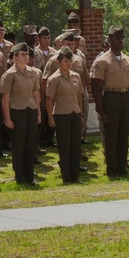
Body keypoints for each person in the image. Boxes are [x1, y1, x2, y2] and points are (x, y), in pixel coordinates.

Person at [91, 26, 129, 178]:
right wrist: (101, 111)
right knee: (112, 136)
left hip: (125, 98)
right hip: (111, 97)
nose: (121, 41)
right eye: (117, 38)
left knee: (123, 135)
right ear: (109, 40)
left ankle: (122, 167)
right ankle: (112, 169)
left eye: (121, 38)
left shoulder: (128, 60)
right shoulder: (102, 61)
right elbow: (96, 88)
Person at [0, 42, 42, 185]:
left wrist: (39, 112)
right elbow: (5, 98)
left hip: (30, 110)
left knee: (30, 145)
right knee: (19, 145)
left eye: (27, 54)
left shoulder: (32, 72)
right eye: (22, 54)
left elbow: (36, 93)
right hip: (17, 111)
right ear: (15, 57)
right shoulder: (9, 75)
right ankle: (20, 177)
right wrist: (7, 118)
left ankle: (29, 176)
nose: (25, 57)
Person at [46, 46, 85, 183]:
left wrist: (80, 112)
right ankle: (66, 176)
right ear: (59, 62)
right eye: (66, 61)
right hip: (61, 114)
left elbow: (79, 95)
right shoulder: (54, 78)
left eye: (70, 61)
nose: (69, 64)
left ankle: (75, 175)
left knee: (76, 145)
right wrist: (50, 117)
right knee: (64, 145)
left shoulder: (76, 76)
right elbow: (49, 99)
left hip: (75, 113)